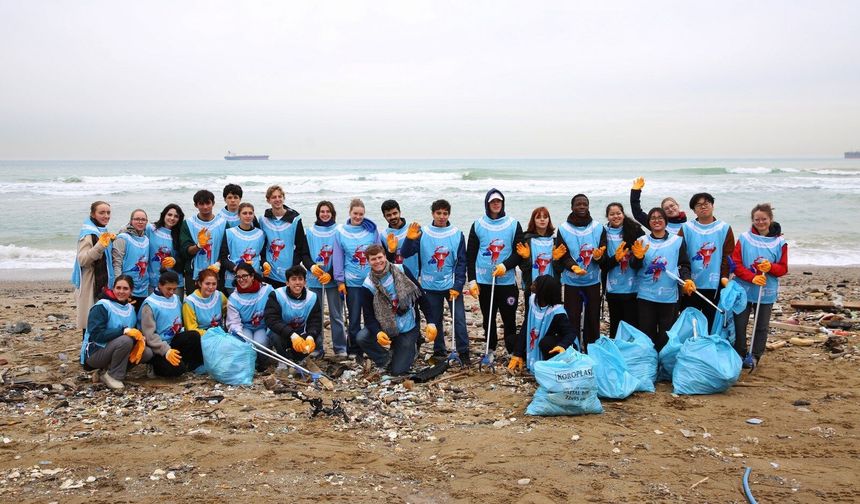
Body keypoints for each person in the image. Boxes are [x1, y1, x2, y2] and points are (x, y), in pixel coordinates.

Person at [401, 199, 469, 363]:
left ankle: (464, 352)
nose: (441, 216)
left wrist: (458, 285)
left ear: (449, 215)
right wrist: (409, 240)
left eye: (445, 213)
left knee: (459, 319)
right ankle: (439, 351)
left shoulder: (457, 234)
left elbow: (462, 262)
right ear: (432, 214)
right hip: (429, 285)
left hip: (451, 285)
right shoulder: (423, 233)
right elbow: (405, 253)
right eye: (438, 213)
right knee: (435, 319)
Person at [466, 189, 523, 355]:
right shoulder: (478, 225)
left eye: (499, 201)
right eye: (493, 201)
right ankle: (490, 348)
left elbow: (519, 253)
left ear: (503, 203)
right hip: (485, 281)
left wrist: (505, 266)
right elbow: (471, 255)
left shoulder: (513, 224)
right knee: (488, 316)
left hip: (507, 281)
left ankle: (511, 350)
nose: (496, 204)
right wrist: (472, 280)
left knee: (509, 317)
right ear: (487, 204)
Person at [731, 203, 788, 366]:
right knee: (739, 324)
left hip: (766, 290)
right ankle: (740, 353)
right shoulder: (744, 238)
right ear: (752, 220)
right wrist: (752, 277)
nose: (760, 222)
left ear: (770, 219)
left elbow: (783, 268)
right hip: (743, 288)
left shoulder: (780, 242)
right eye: (757, 219)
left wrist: (771, 267)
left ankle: (755, 355)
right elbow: (736, 264)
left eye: (764, 219)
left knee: (761, 326)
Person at [355, 245, 426, 375]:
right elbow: (368, 317)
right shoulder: (367, 286)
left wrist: (431, 322)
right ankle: (385, 359)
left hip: (407, 325)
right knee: (362, 337)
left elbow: (420, 295)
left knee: (398, 371)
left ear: (385, 256)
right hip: (385, 324)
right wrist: (377, 332)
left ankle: (412, 346)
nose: (377, 261)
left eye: (380, 257)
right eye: (373, 259)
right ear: (368, 262)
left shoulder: (401, 270)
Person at [630, 208, 694, 351]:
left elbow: (683, 264)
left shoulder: (677, 241)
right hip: (646, 295)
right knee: (647, 332)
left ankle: (664, 359)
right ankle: (650, 360)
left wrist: (687, 279)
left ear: (666, 221)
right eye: (653, 218)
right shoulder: (641, 241)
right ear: (649, 222)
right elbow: (634, 266)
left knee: (666, 333)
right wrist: (638, 258)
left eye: (660, 217)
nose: (656, 220)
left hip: (669, 296)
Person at [556, 194, 607, 350]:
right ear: (572, 207)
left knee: (592, 316)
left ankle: (592, 348)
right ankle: (573, 348)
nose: (582, 206)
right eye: (578, 204)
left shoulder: (598, 227)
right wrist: (573, 266)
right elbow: (563, 254)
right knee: (572, 316)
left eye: (585, 204)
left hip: (592, 281)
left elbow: (603, 252)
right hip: (572, 281)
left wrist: (598, 257)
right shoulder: (563, 228)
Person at [333, 198, 383, 358]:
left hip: (371, 282)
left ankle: (371, 347)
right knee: (354, 317)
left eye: (361, 214)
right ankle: (354, 349)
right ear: (350, 213)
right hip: (352, 282)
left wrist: (381, 276)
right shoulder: (340, 232)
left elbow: (379, 253)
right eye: (355, 213)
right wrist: (340, 281)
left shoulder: (372, 230)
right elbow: (338, 257)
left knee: (372, 316)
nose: (358, 217)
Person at [677, 192, 735, 328]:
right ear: (694, 210)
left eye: (706, 203)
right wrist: (685, 279)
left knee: (712, 322)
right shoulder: (686, 228)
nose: (703, 207)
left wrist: (724, 277)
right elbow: (680, 255)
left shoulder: (724, 228)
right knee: (691, 323)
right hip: (691, 285)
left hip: (715, 283)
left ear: (712, 206)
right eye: (698, 205)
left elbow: (728, 256)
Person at [80, 275, 145, 390]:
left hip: (115, 349)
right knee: (125, 340)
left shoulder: (130, 309)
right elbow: (96, 335)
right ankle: (113, 376)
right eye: (118, 288)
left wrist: (140, 340)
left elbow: (133, 332)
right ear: (113, 288)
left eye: (125, 288)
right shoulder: (102, 306)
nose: (121, 291)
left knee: (146, 351)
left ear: (131, 291)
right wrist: (123, 331)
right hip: (95, 352)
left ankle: (107, 371)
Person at [301, 200, 348, 358]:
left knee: (336, 314)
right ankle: (317, 347)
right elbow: (304, 254)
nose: (325, 214)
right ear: (318, 213)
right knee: (316, 315)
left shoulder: (339, 230)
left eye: (328, 211)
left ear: (333, 213)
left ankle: (340, 347)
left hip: (334, 279)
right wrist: (311, 267)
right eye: (322, 211)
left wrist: (333, 273)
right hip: (315, 279)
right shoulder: (310, 231)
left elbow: (343, 253)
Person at [139, 270, 204, 377]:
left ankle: (190, 364)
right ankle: (153, 364)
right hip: (158, 347)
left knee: (194, 336)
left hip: (173, 340)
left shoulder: (175, 299)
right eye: (168, 289)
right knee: (177, 370)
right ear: (160, 285)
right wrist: (166, 351)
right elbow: (149, 336)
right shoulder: (149, 304)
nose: (172, 292)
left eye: (174, 289)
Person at [508, 275, 576, 373]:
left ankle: (549, 365)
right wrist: (517, 353)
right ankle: (527, 358)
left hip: (553, 344)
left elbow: (570, 333)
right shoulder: (533, 301)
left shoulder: (557, 311)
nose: (532, 285)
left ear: (543, 290)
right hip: (535, 339)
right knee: (511, 340)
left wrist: (562, 345)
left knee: (545, 343)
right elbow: (526, 326)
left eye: (535, 284)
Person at [602, 202, 645, 337]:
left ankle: (633, 347)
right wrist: (615, 259)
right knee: (616, 322)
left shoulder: (635, 230)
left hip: (633, 286)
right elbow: (602, 264)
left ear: (623, 214)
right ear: (607, 217)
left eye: (618, 213)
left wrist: (638, 257)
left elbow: (641, 259)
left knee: (632, 322)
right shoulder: (603, 232)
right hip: (613, 286)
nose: (616, 216)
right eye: (612, 214)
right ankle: (616, 346)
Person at [73, 201, 116, 333]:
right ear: (93, 214)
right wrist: (100, 246)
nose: (106, 216)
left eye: (108, 213)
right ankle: (86, 346)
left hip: (104, 281)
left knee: (100, 320)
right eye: (101, 213)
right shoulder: (88, 234)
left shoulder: (102, 231)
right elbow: (82, 260)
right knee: (90, 321)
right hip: (91, 282)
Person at [264, 265, 321, 365]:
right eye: (293, 279)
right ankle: (283, 359)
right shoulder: (277, 295)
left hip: (301, 332)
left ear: (305, 282)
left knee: (317, 338)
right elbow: (271, 320)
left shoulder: (312, 297)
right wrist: (292, 335)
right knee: (276, 336)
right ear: (287, 282)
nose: (297, 282)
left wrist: (311, 336)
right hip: (282, 332)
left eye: (300, 279)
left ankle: (299, 358)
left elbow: (315, 320)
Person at [259, 184, 309, 289]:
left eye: (280, 196)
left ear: (283, 198)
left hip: (289, 272)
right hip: (270, 272)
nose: (277, 199)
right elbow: (261, 246)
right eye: (274, 197)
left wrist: (293, 267)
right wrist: (263, 262)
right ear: (268, 200)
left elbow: (300, 246)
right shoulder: (263, 220)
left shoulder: (295, 219)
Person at [516, 207, 563, 318]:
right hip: (532, 286)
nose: (542, 219)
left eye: (545, 217)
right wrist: (526, 258)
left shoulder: (555, 241)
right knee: (531, 316)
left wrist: (556, 260)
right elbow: (524, 267)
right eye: (538, 217)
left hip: (552, 286)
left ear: (549, 220)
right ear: (533, 220)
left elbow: (560, 269)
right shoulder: (526, 240)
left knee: (553, 317)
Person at [227, 262, 274, 369]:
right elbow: (233, 322)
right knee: (247, 343)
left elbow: (275, 310)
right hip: (245, 327)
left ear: (252, 276)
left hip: (262, 326)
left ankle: (262, 362)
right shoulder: (234, 298)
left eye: (244, 276)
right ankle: (249, 364)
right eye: (238, 277)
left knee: (260, 343)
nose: (241, 279)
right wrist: (238, 334)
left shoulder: (267, 290)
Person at [180, 189, 227, 290]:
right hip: (193, 273)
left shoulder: (223, 223)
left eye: (208, 203)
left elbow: (226, 250)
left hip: (217, 272)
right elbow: (185, 250)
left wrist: (218, 264)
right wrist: (198, 246)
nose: (205, 207)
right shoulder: (188, 224)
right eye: (201, 204)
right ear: (195, 205)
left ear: (213, 203)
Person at [219, 202, 265, 293]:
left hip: (254, 278)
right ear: (238, 215)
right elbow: (223, 258)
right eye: (244, 213)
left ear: (253, 215)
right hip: (234, 279)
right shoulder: (229, 233)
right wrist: (238, 269)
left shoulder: (261, 234)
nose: (248, 216)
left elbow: (262, 256)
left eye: (250, 213)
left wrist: (265, 265)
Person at [112, 209, 150, 309]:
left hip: (143, 288)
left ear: (146, 222)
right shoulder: (122, 238)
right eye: (137, 219)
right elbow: (116, 264)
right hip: (126, 288)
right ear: (131, 221)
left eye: (143, 219)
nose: (140, 222)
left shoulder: (146, 239)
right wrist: (118, 286)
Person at [147, 204, 185, 299]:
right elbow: (134, 229)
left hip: (175, 282)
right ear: (164, 215)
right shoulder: (151, 229)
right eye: (169, 214)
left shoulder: (181, 233)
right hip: (153, 280)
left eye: (176, 216)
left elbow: (185, 256)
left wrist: (175, 261)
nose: (172, 218)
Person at [182, 268, 227, 335]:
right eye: (207, 283)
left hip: (220, 333)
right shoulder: (190, 302)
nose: (211, 287)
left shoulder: (220, 295)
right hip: (199, 336)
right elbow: (191, 329)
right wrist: (212, 335)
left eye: (214, 284)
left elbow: (229, 312)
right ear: (200, 284)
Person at [381, 199, 420, 278]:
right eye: (388, 215)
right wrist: (390, 251)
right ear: (384, 216)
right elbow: (384, 261)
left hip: (414, 275)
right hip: (396, 277)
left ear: (400, 212)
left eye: (395, 213)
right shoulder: (383, 235)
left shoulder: (413, 228)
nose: (392, 217)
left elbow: (422, 252)